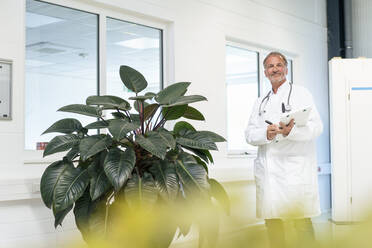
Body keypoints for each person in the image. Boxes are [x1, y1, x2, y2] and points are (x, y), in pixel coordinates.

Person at [245, 52, 323, 248]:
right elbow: (249, 134)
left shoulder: (301, 94)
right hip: (269, 173)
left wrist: (291, 132)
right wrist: (267, 133)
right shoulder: (260, 101)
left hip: (293, 171)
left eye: (279, 65)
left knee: (300, 222)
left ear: (286, 69)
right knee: (273, 223)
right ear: (265, 72)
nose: (275, 69)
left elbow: (316, 127)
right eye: (270, 66)